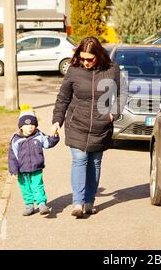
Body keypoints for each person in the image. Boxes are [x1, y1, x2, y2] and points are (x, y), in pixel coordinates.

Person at [51, 37, 126, 218]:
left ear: (99, 56)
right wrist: (56, 121)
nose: (85, 62)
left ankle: (89, 201)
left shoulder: (112, 70)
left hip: (101, 125)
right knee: (80, 159)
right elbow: (63, 97)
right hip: (77, 123)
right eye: (82, 58)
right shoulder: (74, 70)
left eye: (89, 59)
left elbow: (122, 92)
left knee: (95, 162)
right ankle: (77, 203)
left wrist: (113, 114)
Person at [8, 104, 60, 216]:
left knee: (38, 186)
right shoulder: (16, 140)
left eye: (32, 124)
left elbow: (48, 143)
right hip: (22, 170)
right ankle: (29, 205)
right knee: (25, 188)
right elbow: (12, 156)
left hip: (36, 167)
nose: (30, 127)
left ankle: (42, 204)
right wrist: (13, 170)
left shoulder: (39, 136)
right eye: (26, 125)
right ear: (21, 126)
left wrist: (54, 137)